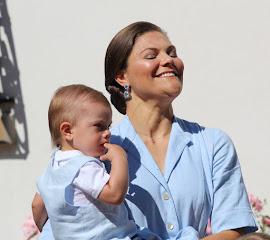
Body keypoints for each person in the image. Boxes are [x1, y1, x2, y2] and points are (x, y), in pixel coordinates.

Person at [36, 21, 258, 240]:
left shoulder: (212, 144)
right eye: (152, 56)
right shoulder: (95, 146)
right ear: (122, 77)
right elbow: (60, 224)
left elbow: (232, 227)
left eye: (172, 53)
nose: (168, 60)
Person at [32, 84, 142, 240]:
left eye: (108, 126)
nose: (108, 132)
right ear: (68, 131)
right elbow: (115, 195)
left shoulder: (51, 170)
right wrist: (120, 158)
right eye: (99, 126)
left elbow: (37, 207)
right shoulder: (84, 166)